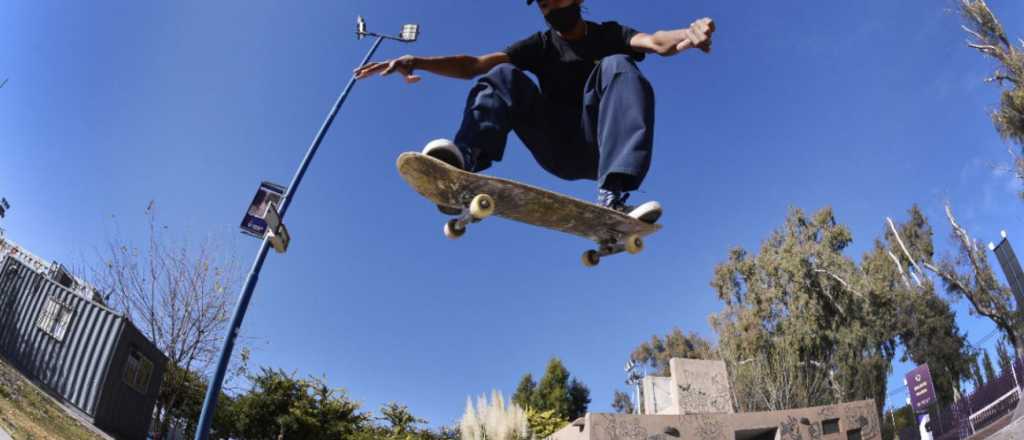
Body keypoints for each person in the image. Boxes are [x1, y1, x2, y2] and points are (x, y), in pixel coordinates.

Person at [355, 0, 715, 223]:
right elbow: (475, 65)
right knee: (503, 75)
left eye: (555, 0)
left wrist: (689, 32)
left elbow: (655, 42)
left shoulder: (609, 33)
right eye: (543, 6)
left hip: (601, 148)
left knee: (619, 64)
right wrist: (416, 59)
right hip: (555, 147)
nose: (551, 9)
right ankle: (463, 162)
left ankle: (614, 194)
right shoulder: (540, 45)